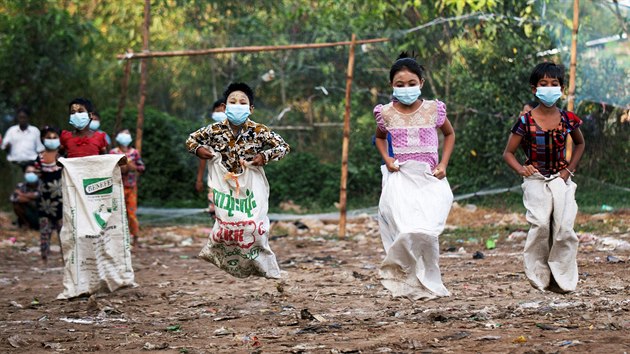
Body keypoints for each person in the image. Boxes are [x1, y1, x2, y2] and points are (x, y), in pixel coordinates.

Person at [374, 52, 455, 300]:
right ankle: (403, 276)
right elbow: (379, 138)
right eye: (400, 85)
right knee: (406, 230)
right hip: (402, 178)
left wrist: (443, 163)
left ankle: (429, 278)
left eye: (411, 84)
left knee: (428, 232)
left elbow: (449, 135)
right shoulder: (386, 113)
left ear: (421, 83)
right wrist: (388, 160)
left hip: (430, 178)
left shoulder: (433, 110)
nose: (406, 89)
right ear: (392, 86)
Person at [503, 62, 585, 293]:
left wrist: (569, 170)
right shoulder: (525, 121)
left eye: (554, 84)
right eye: (543, 84)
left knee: (564, 226)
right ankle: (539, 275)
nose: (549, 88)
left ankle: (563, 278)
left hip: (561, 178)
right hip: (536, 179)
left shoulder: (568, 118)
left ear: (561, 88)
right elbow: (508, 153)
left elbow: (580, 143)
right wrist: (521, 169)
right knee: (540, 224)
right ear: (534, 89)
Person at [186, 82, 290, 174]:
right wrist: (198, 149)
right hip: (223, 188)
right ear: (224, 107)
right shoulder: (214, 130)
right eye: (232, 102)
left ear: (250, 109)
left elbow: (284, 146)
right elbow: (191, 139)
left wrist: (265, 156)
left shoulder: (259, 130)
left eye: (243, 102)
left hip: (250, 188)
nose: (237, 106)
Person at [110, 129, 145, 247]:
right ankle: (116, 239)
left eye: (127, 135)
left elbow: (141, 167)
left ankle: (135, 237)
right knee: (115, 214)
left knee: (131, 213)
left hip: (131, 187)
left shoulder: (134, 153)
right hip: (115, 187)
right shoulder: (113, 152)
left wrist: (132, 167)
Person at [35, 126, 64, 264]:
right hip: (44, 200)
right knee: (45, 230)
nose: (52, 140)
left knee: (63, 231)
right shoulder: (39, 157)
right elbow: (36, 175)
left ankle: (66, 257)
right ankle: (44, 257)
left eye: (54, 138)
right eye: (48, 138)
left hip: (62, 200)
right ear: (42, 139)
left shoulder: (63, 156)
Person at [195, 98, 227, 216]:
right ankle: (220, 233)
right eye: (217, 111)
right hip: (214, 181)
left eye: (222, 111)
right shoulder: (208, 133)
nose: (220, 114)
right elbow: (203, 157)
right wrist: (199, 180)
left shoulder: (238, 132)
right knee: (215, 212)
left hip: (234, 182)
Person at [10, 164, 41, 230]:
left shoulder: (42, 185)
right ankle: (26, 224)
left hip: (39, 214)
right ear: (24, 173)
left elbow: (39, 195)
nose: (31, 174)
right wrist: (31, 198)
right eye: (28, 172)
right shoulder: (20, 185)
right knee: (16, 205)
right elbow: (13, 198)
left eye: (34, 172)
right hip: (27, 212)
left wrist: (23, 195)